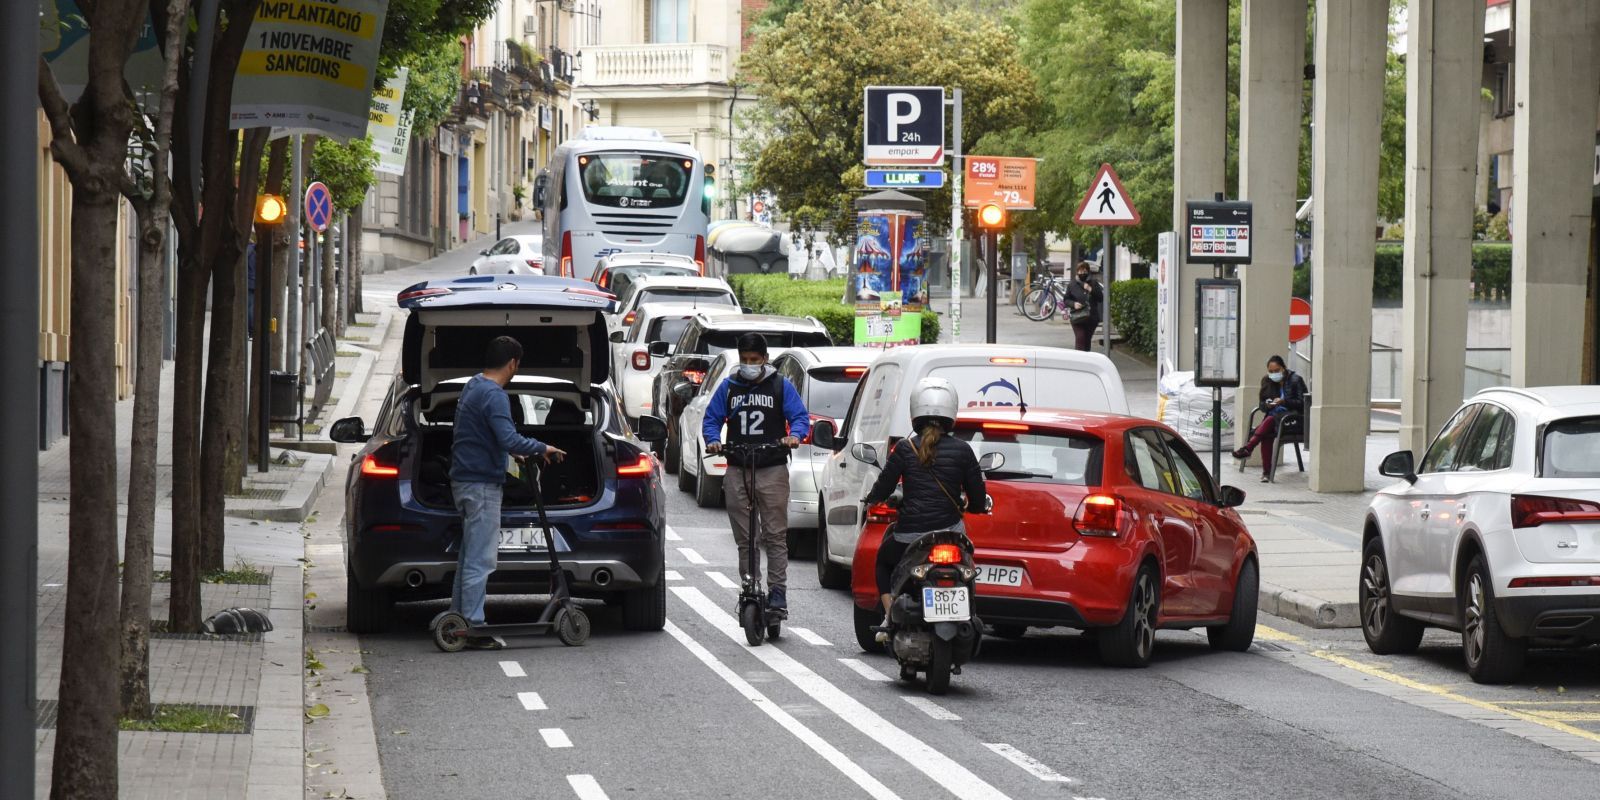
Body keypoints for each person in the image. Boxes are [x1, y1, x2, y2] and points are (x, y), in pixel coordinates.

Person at [448, 336, 567, 649]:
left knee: (468, 558)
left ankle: (457, 619)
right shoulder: (495, 395)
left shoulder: (473, 386)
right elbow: (508, 437)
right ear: (513, 363)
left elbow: (481, 434)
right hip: (481, 485)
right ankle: (473, 626)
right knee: (481, 561)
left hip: (463, 481)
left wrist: (513, 452)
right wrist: (542, 447)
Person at [861, 378, 987, 637]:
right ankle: (969, 611)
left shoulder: (905, 448)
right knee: (967, 571)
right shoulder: (963, 450)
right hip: (951, 535)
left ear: (915, 411)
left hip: (910, 535)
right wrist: (973, 505)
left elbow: (884, 486)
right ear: (951, 411)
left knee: (883, 562)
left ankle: (888, 617)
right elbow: (977, 496)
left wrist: (872, 498)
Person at [702, 333, 810, 617]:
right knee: (746, 539)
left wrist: (795, 436)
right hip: (737, 468)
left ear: (765, 359)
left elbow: (800, 417)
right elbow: (712, 419)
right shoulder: (729, 387)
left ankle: (778, 593)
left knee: (774, 535)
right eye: (744, 359)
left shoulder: (780, 385)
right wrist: (713, 439)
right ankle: (750, 584)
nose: (749, 365)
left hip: (772, 468)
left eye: (754, 359)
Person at [1232, 355, 1308, 482]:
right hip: (1274, 420)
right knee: (1266, 431)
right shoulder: (1267, 381)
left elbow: (1303, 403)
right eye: (1271, 371)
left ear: (1284, 368)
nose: (1274, 374)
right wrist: (1267, 405)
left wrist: (1284, 401)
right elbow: (1262, 405)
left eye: (1277, 370)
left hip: (1291, 420)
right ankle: (1265, 473)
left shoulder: (1296, 380)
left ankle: (1249, 449)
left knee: (1269, 422)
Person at [1065, 261, 1103, 352]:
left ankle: (1086, 357)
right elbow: (1066, 299)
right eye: (1080, 271)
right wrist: (1073, 304)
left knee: (1087, 340)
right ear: (1077, 272)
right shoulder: (1072, 284)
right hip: (1077, 317)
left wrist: (1090, 289)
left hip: (1091, 317)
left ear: (1088, 272)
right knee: (1080, 338)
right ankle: (1079, 358)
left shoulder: (1093, 283)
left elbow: (1100, 298)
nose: (1082, 273)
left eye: (1085, 271)